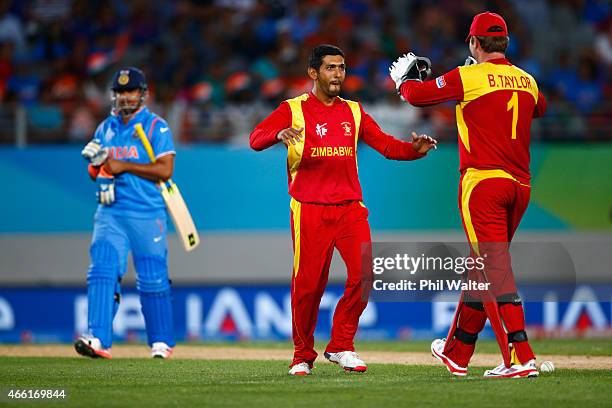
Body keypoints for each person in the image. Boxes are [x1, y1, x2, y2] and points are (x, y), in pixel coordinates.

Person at [250, 44, 437, 376]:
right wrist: (277, 134)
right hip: (309, 209)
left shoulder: (354, 111)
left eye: (341, 68)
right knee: (308, 286)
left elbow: (386, 145)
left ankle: (341, 345)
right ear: (313, 73)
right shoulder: (292, 109)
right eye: (330, 68)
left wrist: (414, 150)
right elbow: (255, 138)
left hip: (350, 207)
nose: (338, 74)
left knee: (365, 275)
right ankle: (302, 355)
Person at [389, 12, 547, 378]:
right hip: (520, 185)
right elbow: (539, 109)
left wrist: (403, 80)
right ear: (505, 43)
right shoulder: (527, 79)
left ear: (474, 43)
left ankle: (519, 357)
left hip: (483, 184)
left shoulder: (468, 76)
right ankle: (457, 351)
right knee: (482, 266)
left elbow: (417, 96)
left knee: (493, 269)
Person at [75, 67, 177, 359]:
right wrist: (97, 165)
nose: (125, 97)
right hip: (110, 212)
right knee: (102, 271)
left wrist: (121, 165)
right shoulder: (105, 128)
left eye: (130, 91)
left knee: (152, 278)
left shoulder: (157, 127)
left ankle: (161, 342)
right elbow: (96, 172)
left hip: (147, 212)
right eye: (120, 92)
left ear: (142, 94)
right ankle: (98, 339)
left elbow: (165, 170)